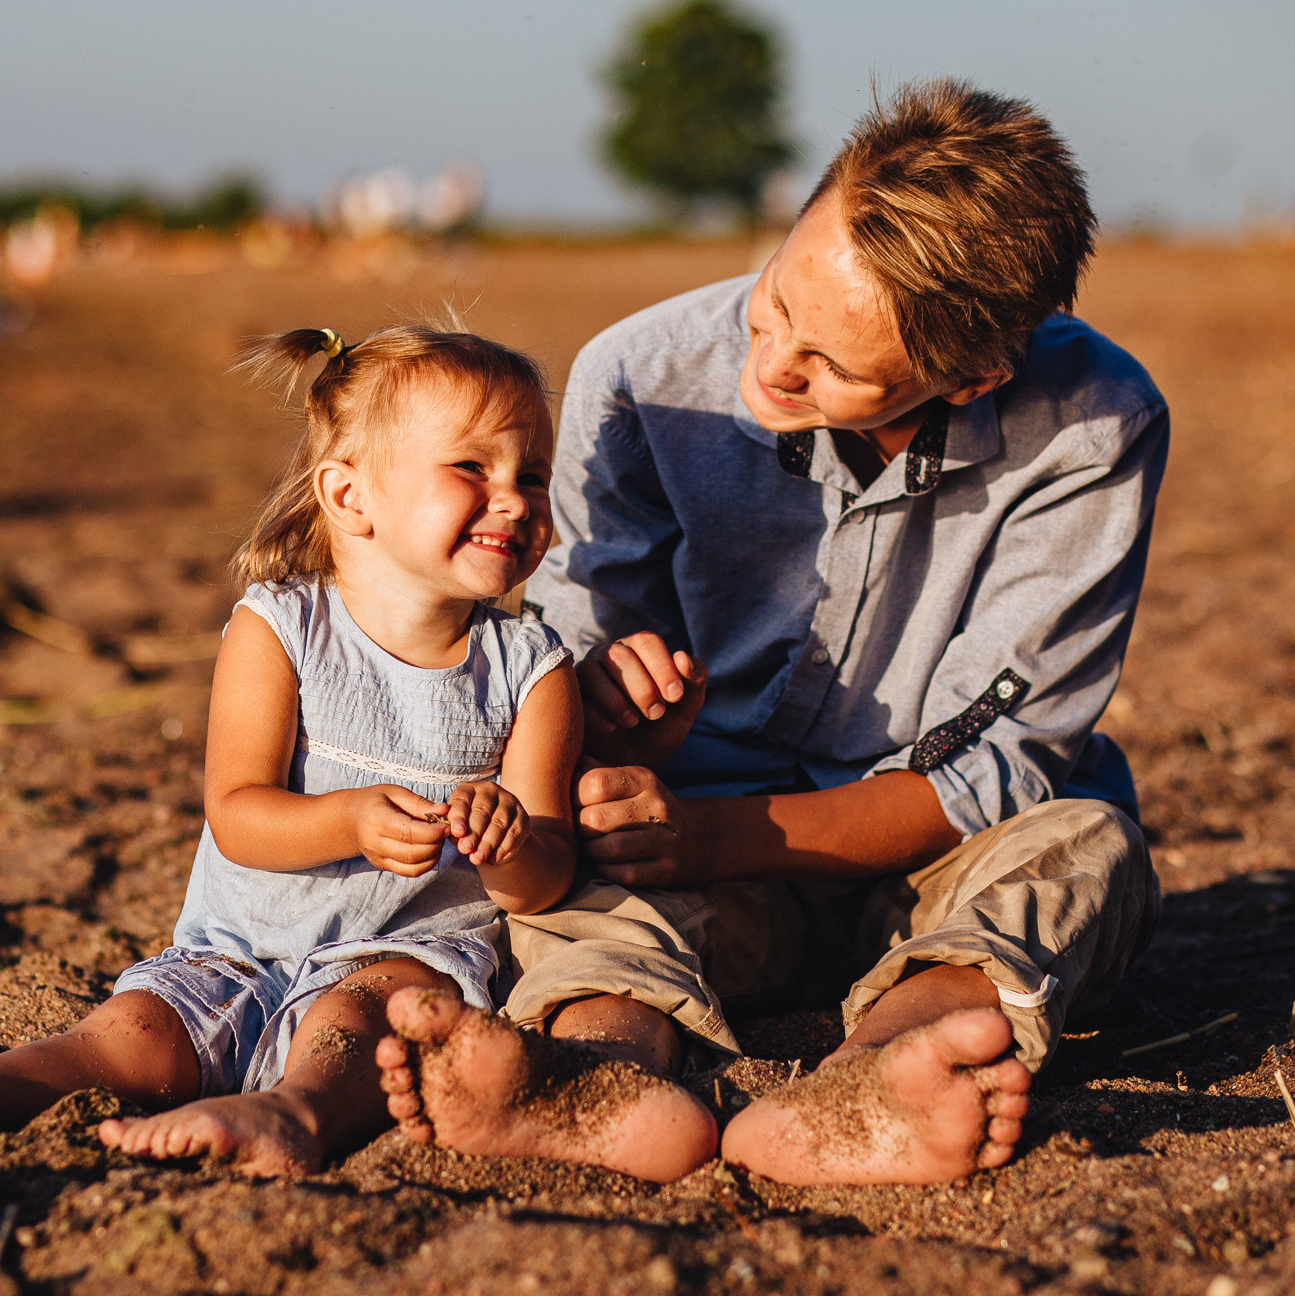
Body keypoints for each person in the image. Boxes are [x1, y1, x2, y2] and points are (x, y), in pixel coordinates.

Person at [377, 79, 1167, 1187]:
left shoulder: (1094, 426)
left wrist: (713, 837)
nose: (773, 362)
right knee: (575, 886)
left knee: (1086, 845)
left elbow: (997, 766)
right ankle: (594, 1069)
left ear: (974, 377)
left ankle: (878, 1077)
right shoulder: (640, 377)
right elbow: (556, 678)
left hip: (925, 859)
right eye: (778, 296)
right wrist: (610, 713)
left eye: (834, 364)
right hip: (675, 849)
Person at [0, 321, 713, 1180]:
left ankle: (293, 1111)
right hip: (237, 947)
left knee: (359, 1023)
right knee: (132, 1032)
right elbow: (237, 814)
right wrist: (350, 819)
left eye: (531, 475)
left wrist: (510, 842)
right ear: (349, 495)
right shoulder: (280, 628)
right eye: (472, 468)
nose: (516, 500)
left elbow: (547, 876)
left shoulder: (533, 669)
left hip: (403, 954)